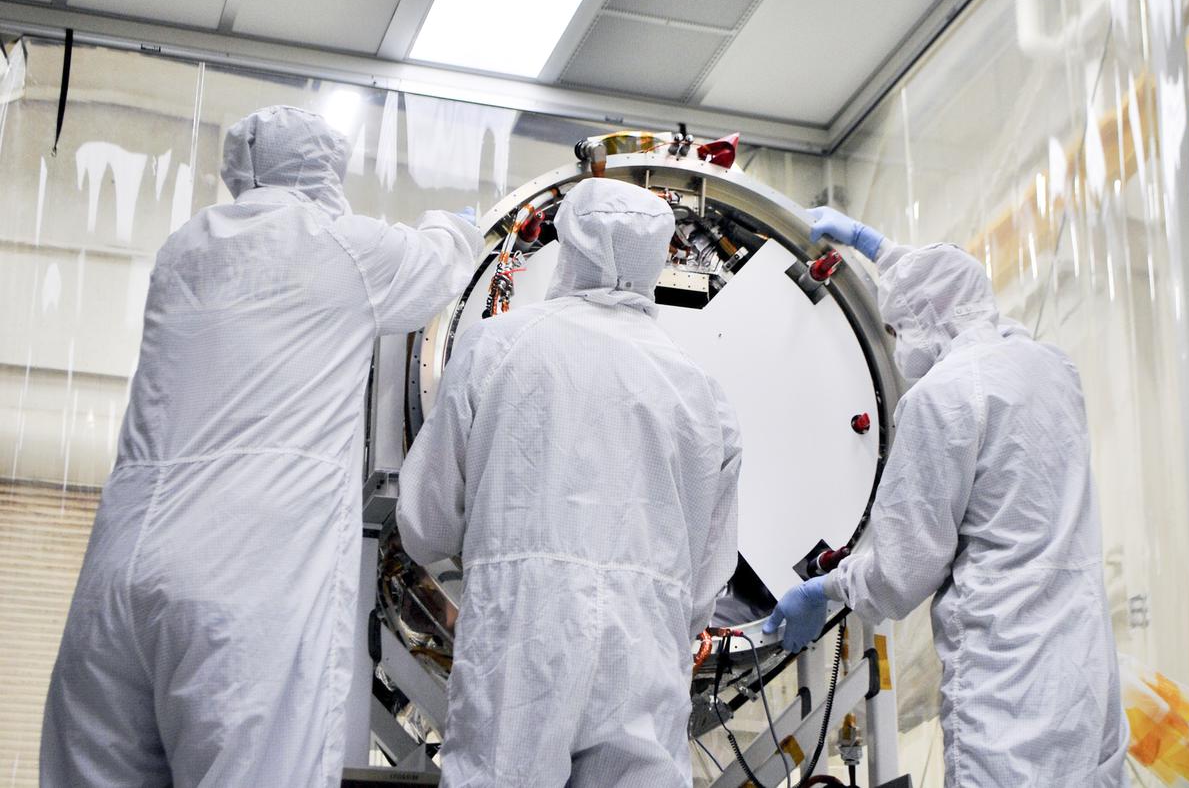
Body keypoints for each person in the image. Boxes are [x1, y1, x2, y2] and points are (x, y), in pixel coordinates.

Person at [41, 106, 482, 787]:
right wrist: (455, 218)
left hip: (119, 575)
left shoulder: (183, 249)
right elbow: (440, 264)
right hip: (243, 580)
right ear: (325, 170)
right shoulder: (341, 246)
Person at [764, 207, 1128, 787]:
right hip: (1086, 675)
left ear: (916, 321)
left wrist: (824, 588)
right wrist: (876, 247)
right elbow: (943, 291)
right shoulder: (1052, 369)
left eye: (894, 329)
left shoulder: (943, 399)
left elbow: (901, 573)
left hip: (1008, 683)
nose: (897, 343)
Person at [396, 177, 742, 787]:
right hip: (647, 646)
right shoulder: (702, 393)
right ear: (659, 256)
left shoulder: (494, 348)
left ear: (569, 243)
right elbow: (706, 579)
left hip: (521, 635)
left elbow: (426, 525)